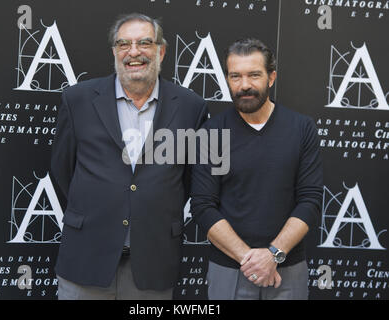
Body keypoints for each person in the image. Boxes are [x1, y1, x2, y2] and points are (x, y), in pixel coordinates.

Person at [51, 13, 208, 300]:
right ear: (114, 52)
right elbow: (63, 170)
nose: (133, 52)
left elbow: (187, 180)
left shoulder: (190, 107)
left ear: (161, 50)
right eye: (124, 44)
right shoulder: (78, 99)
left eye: (144, 43)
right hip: (86, 257)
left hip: (153, 264)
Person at [190, 38, 323, 300]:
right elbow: (203, 206)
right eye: (235, 76)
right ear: (227, 79)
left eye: (254, 75)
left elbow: (310, 201)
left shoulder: (301, 129)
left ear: (271, 78)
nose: (245, 85)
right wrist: (252, 260)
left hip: (288, 267)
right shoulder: (212, 133)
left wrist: (273, 255)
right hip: (229, 269)